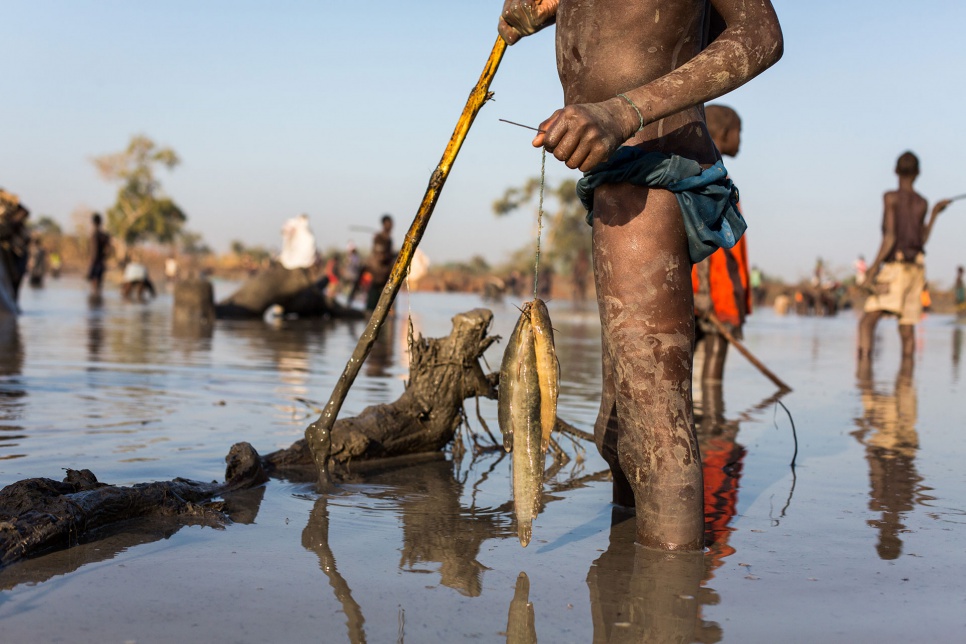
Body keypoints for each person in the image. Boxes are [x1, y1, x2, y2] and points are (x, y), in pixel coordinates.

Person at [499, 0, 783, 551]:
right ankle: (625, 599)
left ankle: (670, 606)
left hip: (650, 175)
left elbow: (761, 34)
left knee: (657, 439)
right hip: (618, 182)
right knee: (620, 430)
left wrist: (624, 110)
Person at [858, 152, 950, 365]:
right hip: (917, 269)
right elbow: (922, 240)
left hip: (896, 268)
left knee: (867, 322)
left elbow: (890, 237)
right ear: (918, 173)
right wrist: (934, 213)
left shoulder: (891, 198)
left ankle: (864, 379)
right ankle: (906, 389)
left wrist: (872, 268)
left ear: (895, 171)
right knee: (907, 327)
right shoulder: (922, 203)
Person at [691, 104, 752, 385]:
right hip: (715, 292)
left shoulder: (691, 172)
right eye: (740, 132)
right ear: (726, 133)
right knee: (712, 377)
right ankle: (716, 426)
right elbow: (711, 242)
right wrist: (707, 296)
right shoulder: (716, 179)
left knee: (683, 372)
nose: (741, 139)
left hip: (692, 291)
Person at [366, 214, 395, 312]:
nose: (391, 226)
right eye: (389, 224)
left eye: (391, 224)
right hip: (376, 274)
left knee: (385, 307)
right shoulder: (379, 238)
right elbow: (380, 256)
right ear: (384, 224)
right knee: (371, 307)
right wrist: (391, 256)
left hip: (385, 276)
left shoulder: (389, 240)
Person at [88, 212, 112, 296]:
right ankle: (98, 303)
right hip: (100, 262)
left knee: (95, 284)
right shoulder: (103, 235)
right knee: (98, 284)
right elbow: (109, 249)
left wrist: (94, 262)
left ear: (94, 223)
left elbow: (94, 251)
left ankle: (96, 303)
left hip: (95, 262)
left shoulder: (96, 235)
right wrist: (105, 256)